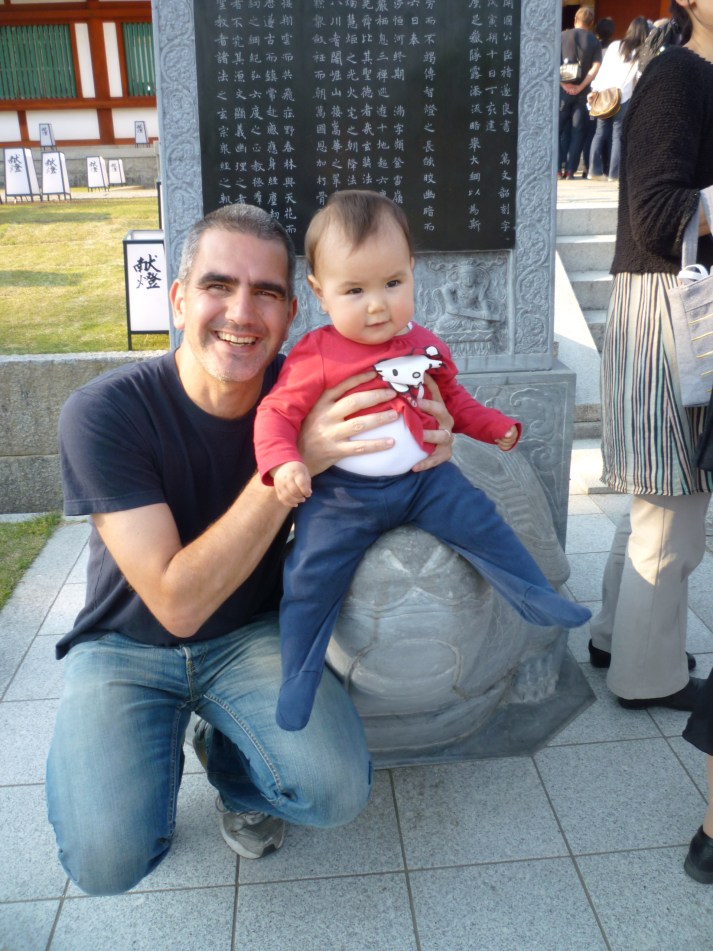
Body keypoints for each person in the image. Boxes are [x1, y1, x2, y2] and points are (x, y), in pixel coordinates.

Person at [45, 202, 457, 894]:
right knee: (105, 858)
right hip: (126, 642)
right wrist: (294, 462)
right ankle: (148, 757)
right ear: (178, 299)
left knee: (335, 790)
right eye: (217, 286)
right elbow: (175, 602)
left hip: (251, 631)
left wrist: (432, 439)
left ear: (291, 313)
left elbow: (403, 430)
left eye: (265, 292)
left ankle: (230, 762)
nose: (241, 312)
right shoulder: (105, 413)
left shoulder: (310, 389)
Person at [253, 190, 592, 732]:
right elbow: (276, 414)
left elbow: (455, 403)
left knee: (482, 520)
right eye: (355, 290)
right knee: (311, 575)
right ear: (319, 293)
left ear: (413, 273)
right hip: (344, 495)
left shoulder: (425, 345)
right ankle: (300, 677)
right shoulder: (315, 354)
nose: (377, 305)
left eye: (392, 283)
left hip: (422, 482)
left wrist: (495, 427)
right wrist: (284, 463)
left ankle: (535, 599)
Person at [588, 0, 713, 715]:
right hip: (672, 306)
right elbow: (657, 213)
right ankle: (647, 674)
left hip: (670, 304)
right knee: (673, 504)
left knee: (658, 496)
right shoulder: (679, 75)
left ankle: (615, 636)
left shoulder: (681, 74)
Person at [587, 17, 649, 183]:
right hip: (623, 96)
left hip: (604, 94)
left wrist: (594, 89)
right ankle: (614, 175)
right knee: (617, 136)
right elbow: (639, 77)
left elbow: (603, 69)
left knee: (599, 133)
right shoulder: (641, 52)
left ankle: (594, 170)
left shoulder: (615, 46)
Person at [559, 6, 602, 180]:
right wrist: (581, 86)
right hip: (582, 93)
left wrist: (563, 84)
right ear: (591, 23)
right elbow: (596, 66)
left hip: (563, 92)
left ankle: (556, 170)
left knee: (558, 130)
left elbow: (551, 62)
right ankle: (570, 171)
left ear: (575, 19)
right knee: (578, 132)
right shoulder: (594, 41)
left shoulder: (562, 36)